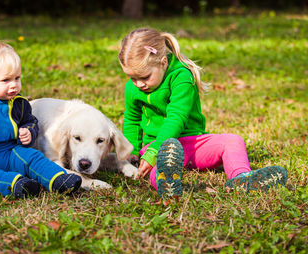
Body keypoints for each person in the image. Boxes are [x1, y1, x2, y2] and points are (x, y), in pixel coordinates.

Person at [118, 28, 288, 200]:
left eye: (145, 77)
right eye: (133, 78)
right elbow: (132, 120)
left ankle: (242, 178)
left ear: (163, 62)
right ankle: (168, 185)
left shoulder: (181, 77)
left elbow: (177, 117)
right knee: (160, 167)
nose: (138, 84)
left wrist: (154, 151)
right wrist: (132, 151)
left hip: (192, 143)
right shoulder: (132, 88)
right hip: (159, 147)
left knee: (233, 140)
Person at [0, 40, 81, 198]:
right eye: (6, 80)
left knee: (33, 157)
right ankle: (16, 184)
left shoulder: (19, 104)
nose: (14, 85)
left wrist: (28, 132)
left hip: (10, 153)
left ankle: (57, 179)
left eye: (17, 78)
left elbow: (30, 122)